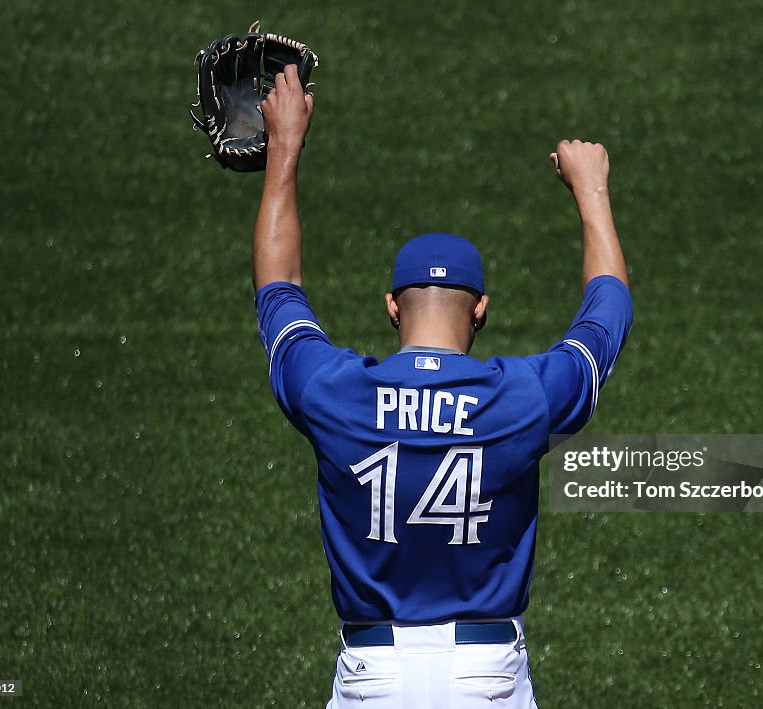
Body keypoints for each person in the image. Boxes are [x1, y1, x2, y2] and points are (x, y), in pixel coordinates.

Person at [253, 64, 633, 708]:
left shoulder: (333, 390)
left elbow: (277, 287)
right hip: (485, 679)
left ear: (392, 308)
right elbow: (607, 314)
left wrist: (283, 150)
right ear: (480, 310)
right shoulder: (521, 398)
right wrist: (591, 191)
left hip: (374, 680)